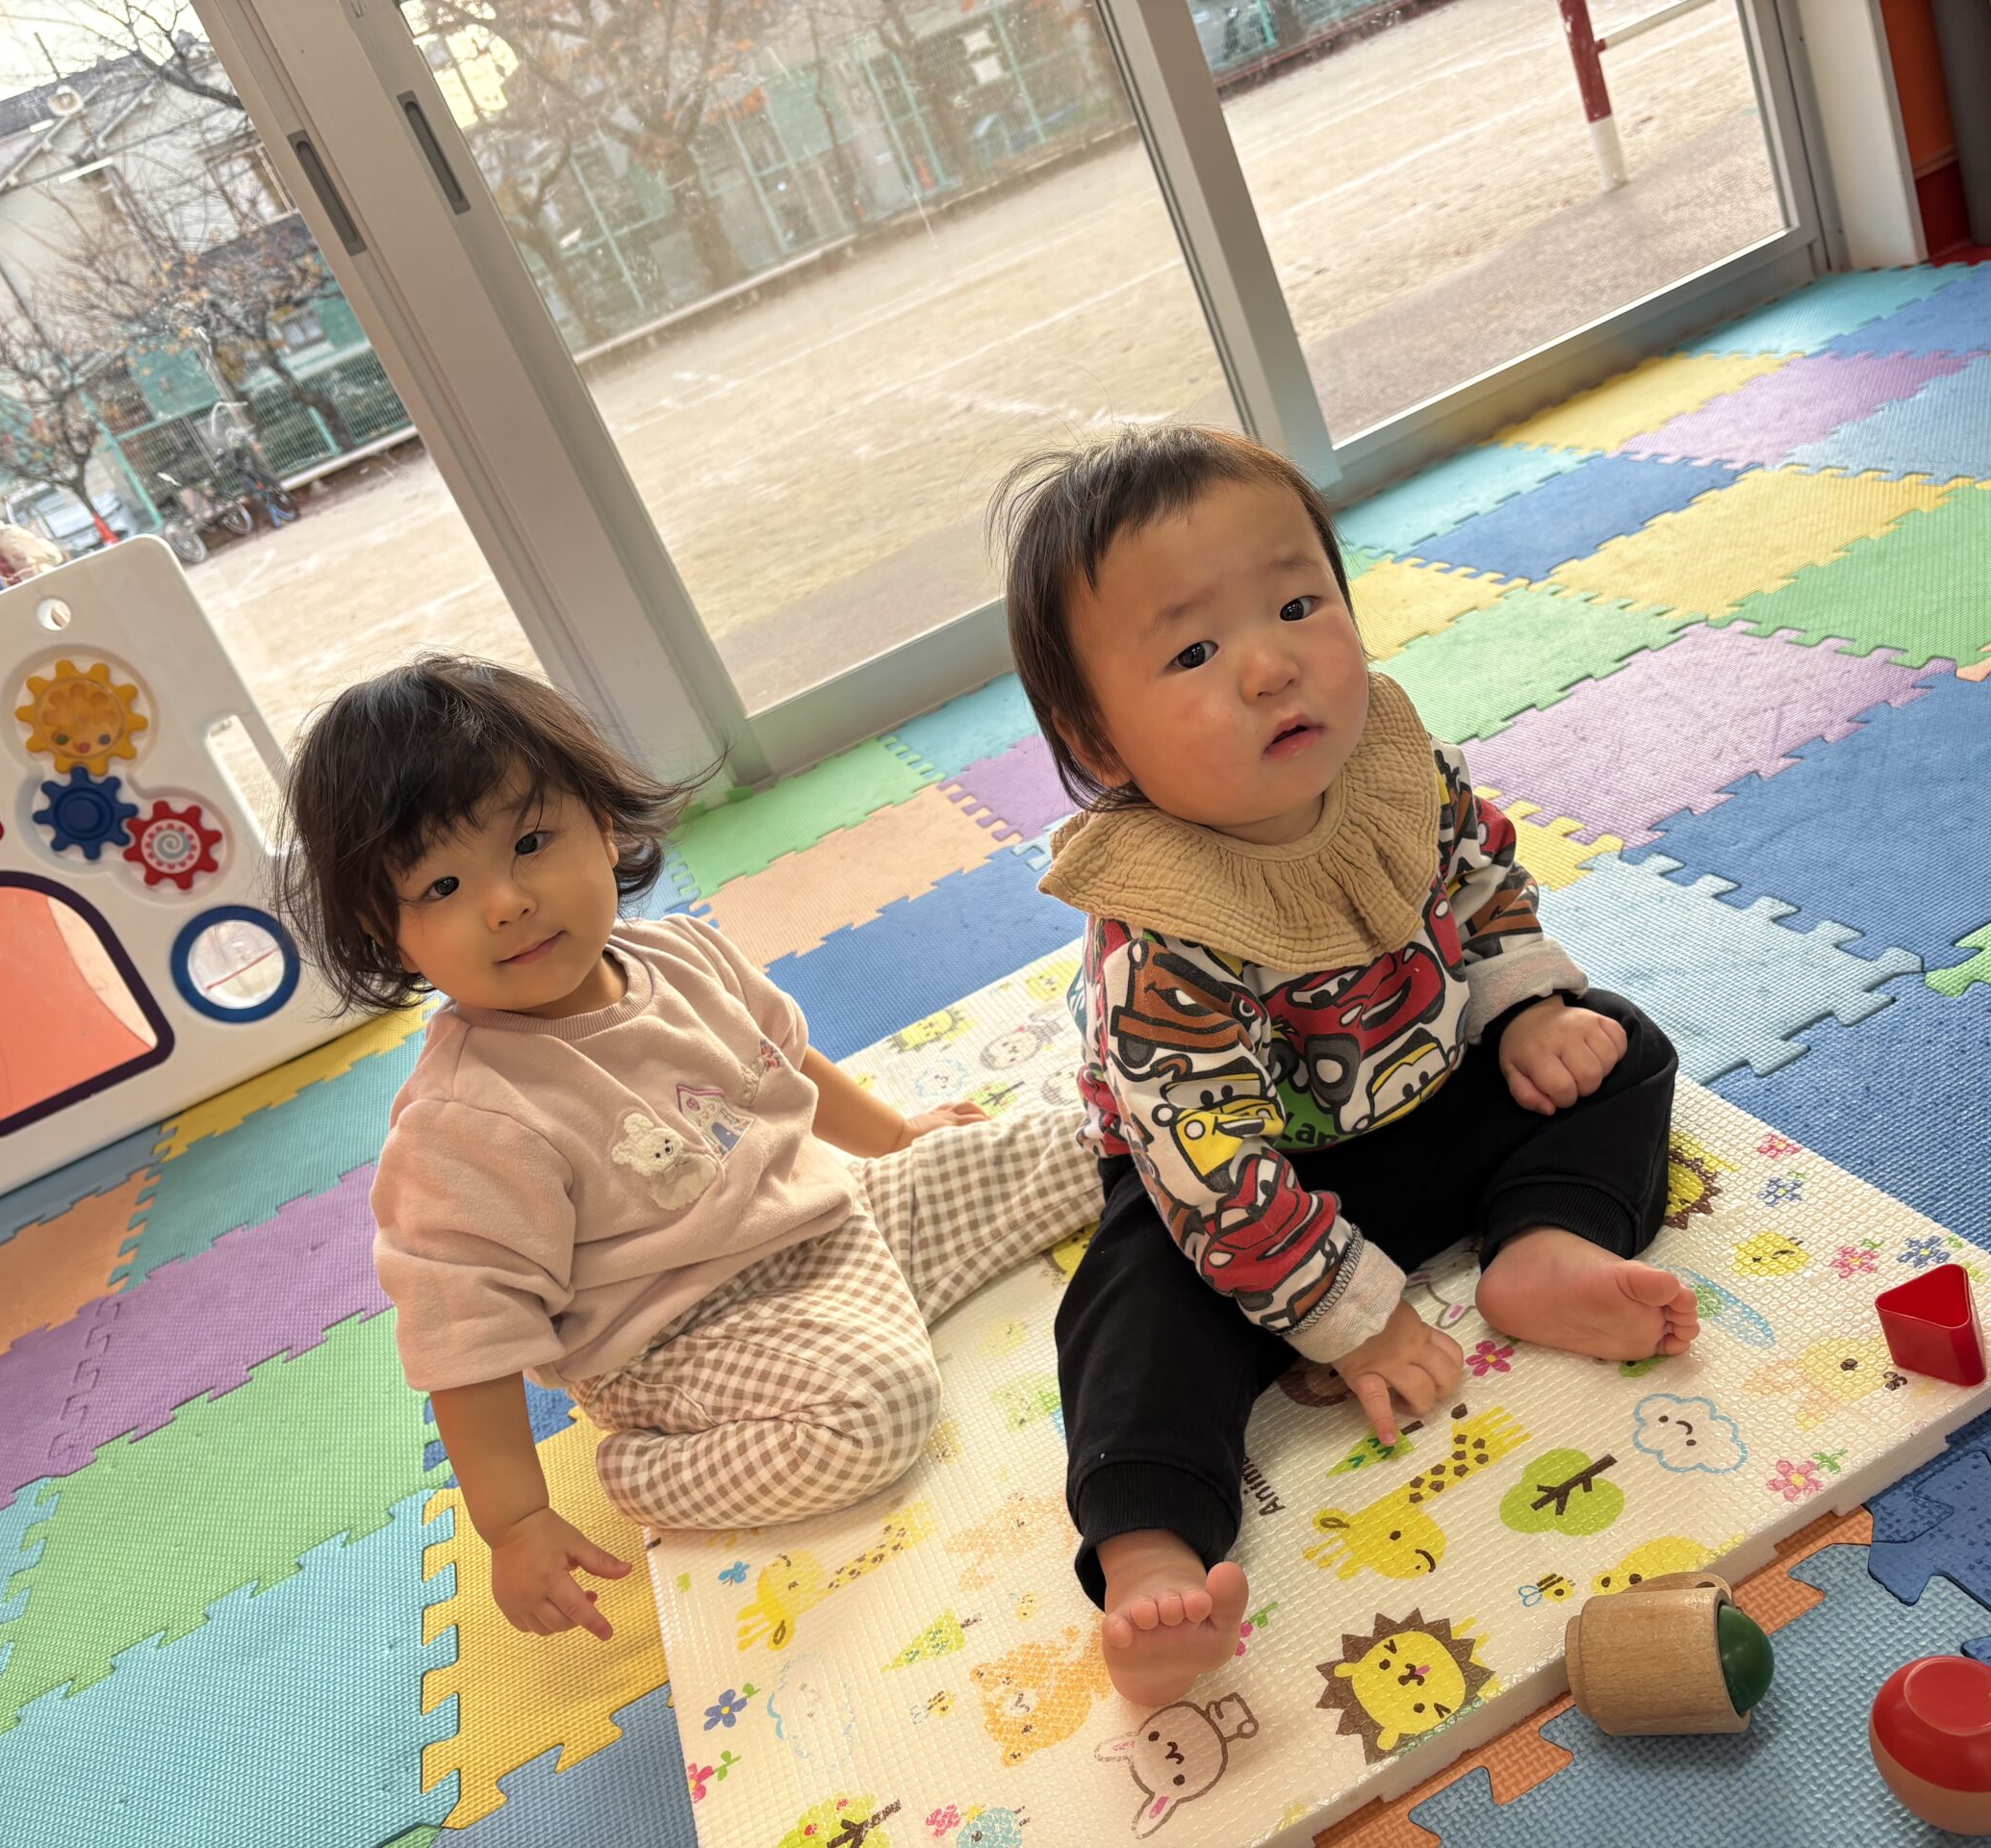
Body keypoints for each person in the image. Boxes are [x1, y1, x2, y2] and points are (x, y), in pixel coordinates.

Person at [992, 424, 1697, 1705]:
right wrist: (1348, 1314)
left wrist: (1521, 1011)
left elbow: (1480, 883)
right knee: (1127, 1311)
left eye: (1297, 605)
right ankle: (1153, 1555)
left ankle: (1544, 1245)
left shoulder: (1395, 769)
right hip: (1237, 1195)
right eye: (1193, 653)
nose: (1271, 665)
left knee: (1619, 1043)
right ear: (1097, 743)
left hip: (1423, 1091)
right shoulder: (1160, 929)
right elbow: (1206, 1166)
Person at [275, 657, 1099, 1642]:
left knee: (1083, 1141)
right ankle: (649, 1467)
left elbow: (780, 1064)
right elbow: (465, 1337)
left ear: (602, 824)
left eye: (529, 842)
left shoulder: (682, 956)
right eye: (443, 885)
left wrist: (894, 1140)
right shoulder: (468, 1120)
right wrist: (517, 1522)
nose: (505, 902)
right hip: (682, 1342)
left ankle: (873, 1318)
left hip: (832, 1223)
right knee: (879, 1411)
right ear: (390, 935)